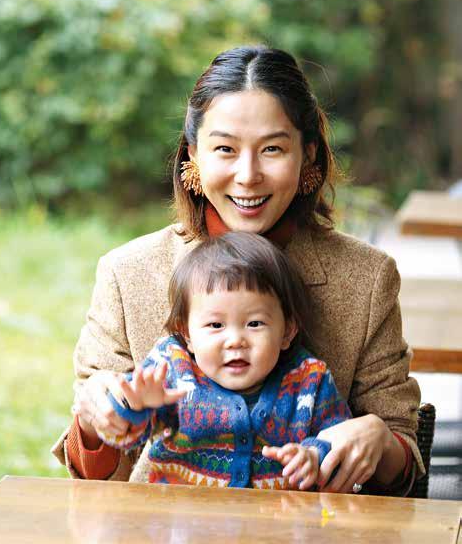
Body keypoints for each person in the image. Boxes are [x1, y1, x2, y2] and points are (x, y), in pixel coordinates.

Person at [51, 45, 421, 495]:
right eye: (225, 148)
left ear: (306, 156)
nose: (248, 175)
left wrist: (379, 438)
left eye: (272, 149)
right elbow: (93, 479)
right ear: (193, 156)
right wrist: (94, 420)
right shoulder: (127, 275)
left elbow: (405, 464)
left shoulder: (367, 278)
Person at [88, 232, 353, 490]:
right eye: (216, 325)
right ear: (187, 334)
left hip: (275, 527)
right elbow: (124, 437)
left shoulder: (309, 380)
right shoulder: (172, 369)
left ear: (287, 331)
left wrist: (314, 455)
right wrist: (135, 407)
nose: (235, 340)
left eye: (254, 323)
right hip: (178, 525)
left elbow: (340, 437)